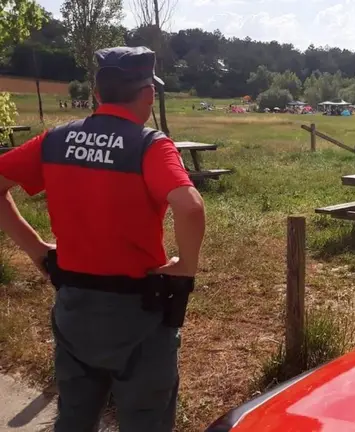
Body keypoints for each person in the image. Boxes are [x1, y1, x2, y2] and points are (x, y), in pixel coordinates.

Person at [0, 46, 205, 432]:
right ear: (146, 94)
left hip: (74, 306)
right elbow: (190, 206)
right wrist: (186, 269)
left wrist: (36, 250)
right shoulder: (149, 145)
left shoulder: (55, 141)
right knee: (146, 420)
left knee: (75, 417)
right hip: (139, 312)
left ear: (97, 93)